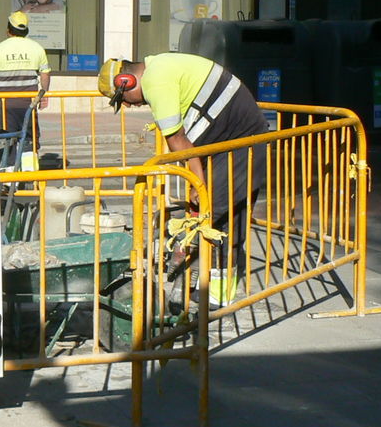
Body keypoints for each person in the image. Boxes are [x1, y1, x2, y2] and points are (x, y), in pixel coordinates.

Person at [98, 53, 268, 307]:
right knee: (228, 215)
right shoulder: (160, 64)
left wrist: (196, 185)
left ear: (127, 81)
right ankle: (219, 286)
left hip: (239, 142)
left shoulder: (156, 82)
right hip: (235, 139)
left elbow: (178, 142)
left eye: (123, 99)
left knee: (217, 217)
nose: (129, 106)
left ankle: (218, 296)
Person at [0, 11, 51, 145]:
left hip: (6, 106)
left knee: (6, 142)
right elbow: (45, 74)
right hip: (29, 104)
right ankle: (29, 165)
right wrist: (44, 94)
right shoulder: (37, 48)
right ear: (26, 30)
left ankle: (9, 165)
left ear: (8, 30)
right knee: (29, 141)